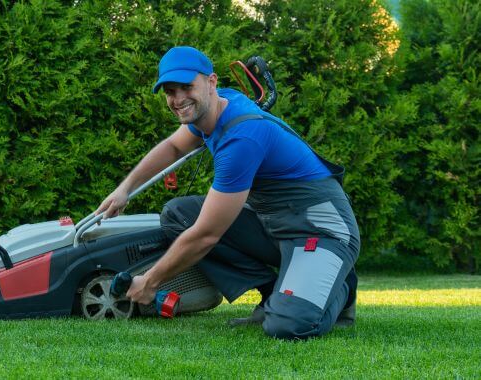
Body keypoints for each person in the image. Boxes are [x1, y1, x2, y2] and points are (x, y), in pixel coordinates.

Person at [95, 46, 359, 339]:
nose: (178, 98)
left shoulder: (242, 138)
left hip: (321, 229)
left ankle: (342, 288)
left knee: (287, 325)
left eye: (186, 86)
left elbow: (207, 235)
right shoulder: (217, 107)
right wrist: (124, 189)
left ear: (211, 82)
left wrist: (151, 282)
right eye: (170, 91)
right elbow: (172, 147)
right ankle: (274, 293)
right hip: (274, 221)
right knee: (178, 215)